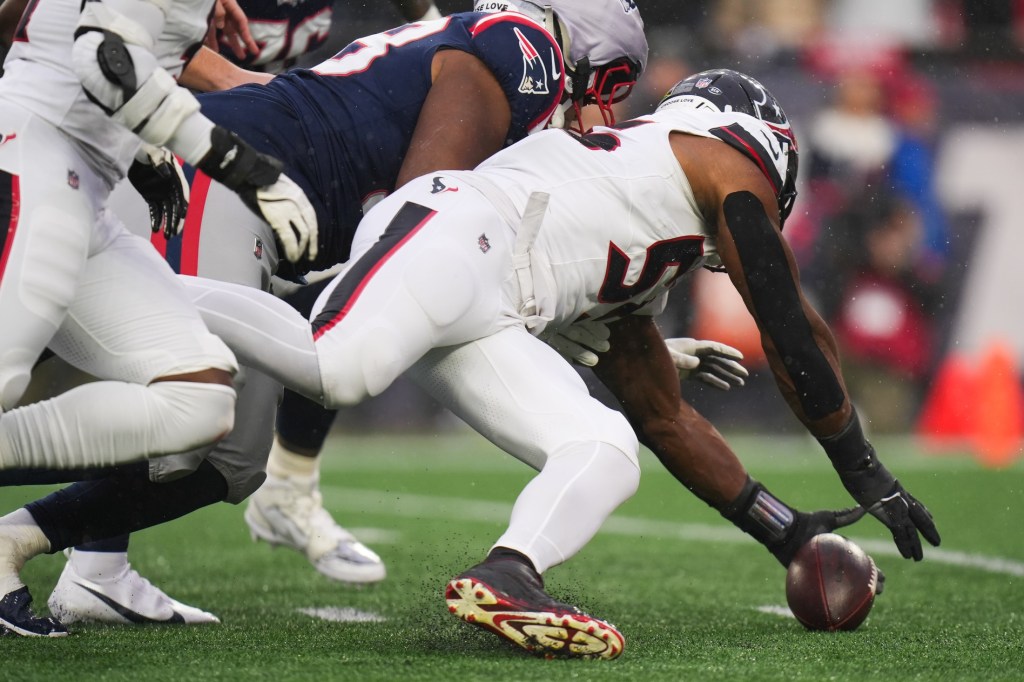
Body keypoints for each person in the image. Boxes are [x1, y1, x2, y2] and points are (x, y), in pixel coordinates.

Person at [168, 69, 941, 658]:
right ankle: (154, 291)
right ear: (761, 142)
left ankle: (508, 574)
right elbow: (791, 330)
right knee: (338, 371)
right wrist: (863, 466)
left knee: (606, 449)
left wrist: (786, 531)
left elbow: (665, 419)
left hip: (491, 306)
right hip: (462, 230)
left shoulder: (646, 219)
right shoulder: (718, 164)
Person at [0, 0, 649, 629]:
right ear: (582, 46)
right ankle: (88, 559)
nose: (606, 109)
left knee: (228, 460)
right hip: (220, 178)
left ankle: (58, 556)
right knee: (174, 417)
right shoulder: (525, 48)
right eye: (613, 80)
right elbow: (424, 212)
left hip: (226, 190)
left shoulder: (499, 58)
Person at [0, 0, 317, 637]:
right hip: (31, 165)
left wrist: (136, 138)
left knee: (198, 398)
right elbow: (104, 56)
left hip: (83, 190)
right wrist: (244, 168)